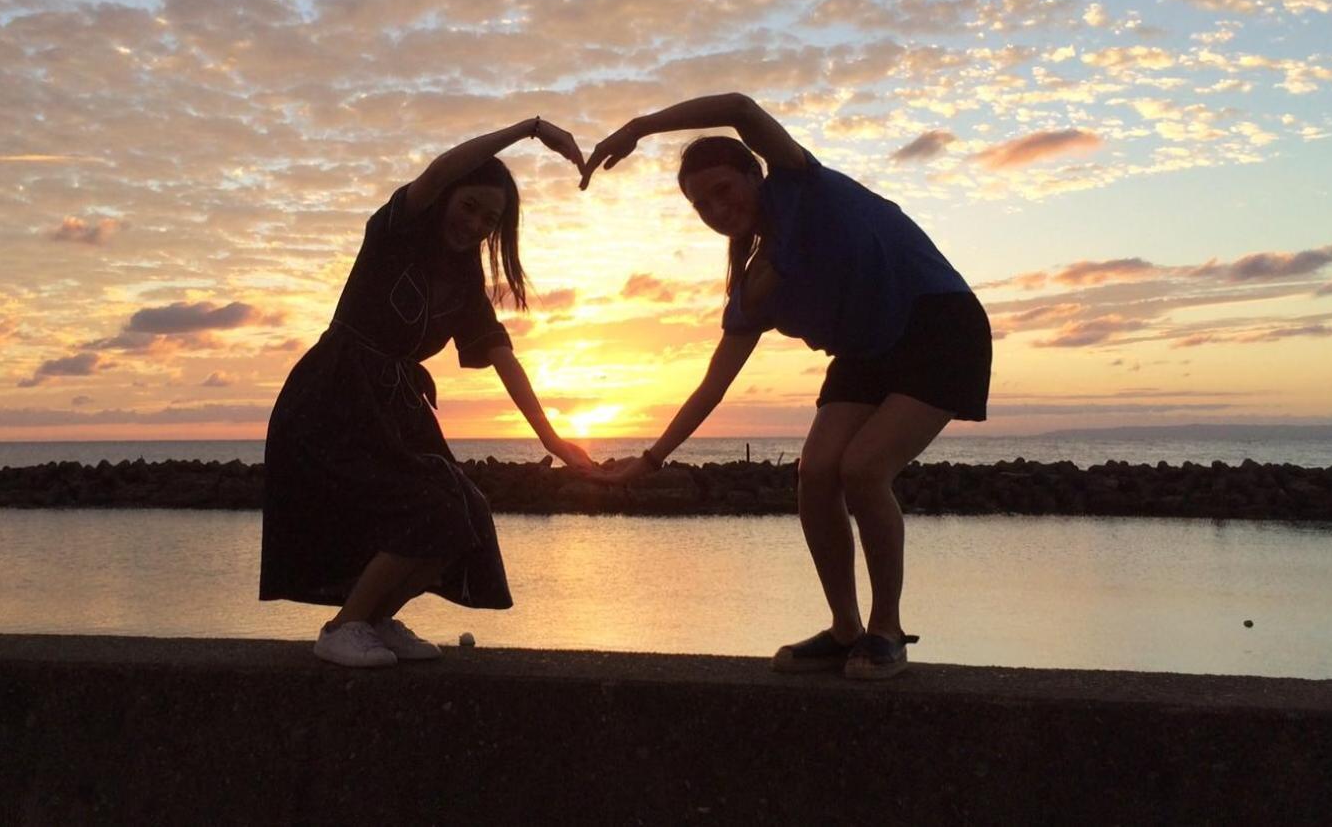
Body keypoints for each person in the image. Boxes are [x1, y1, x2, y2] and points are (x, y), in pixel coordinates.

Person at [580, 94, 990, 679]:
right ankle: (844, 628)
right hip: (866, 352)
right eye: (702, 205)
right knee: (816, 471)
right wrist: (648, 461)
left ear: (755, 173)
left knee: (865, 469)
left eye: (725, 189)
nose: (719, 208)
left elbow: (740, 108)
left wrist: (640, 126)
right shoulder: (755, 289)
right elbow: (711, 388)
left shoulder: (801, 186)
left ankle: (887, 629)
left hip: (938, 325)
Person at [261, 117, 595, 668]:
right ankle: (342, 628)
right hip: (335, 395)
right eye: (470, 207)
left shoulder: (464, 280)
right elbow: (441, 169)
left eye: (490, 219)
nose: (476, 224)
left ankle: (374, 619)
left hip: (394, 406)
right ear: (447, 198)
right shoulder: (397, 232)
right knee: (428, 506)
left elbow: (500, 355)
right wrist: (530, 130)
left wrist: (553, 438)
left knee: (465, 510)